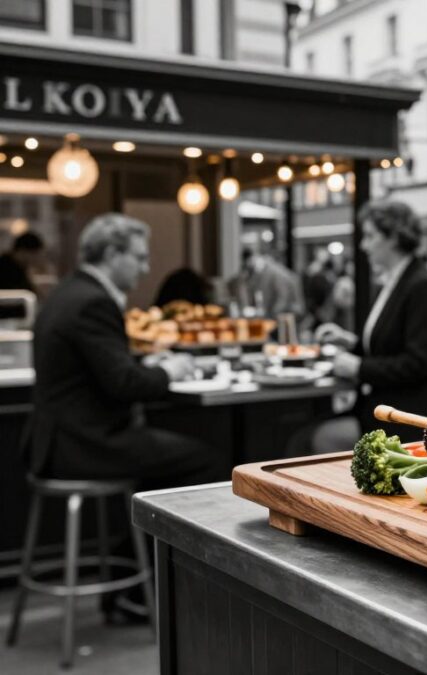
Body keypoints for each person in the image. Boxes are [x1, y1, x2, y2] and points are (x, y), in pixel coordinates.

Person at [26, 214, 219, 621]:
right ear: (113, 254)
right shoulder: (94, 302)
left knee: (163, 460)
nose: (146, 268)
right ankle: (151, 586)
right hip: (85, 444)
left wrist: (145, 364)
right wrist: (169, 370)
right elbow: (124, 384)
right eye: (140, 257)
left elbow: (104, 370)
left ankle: (132, 579)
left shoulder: (69, 292)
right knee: (202, 459)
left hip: (61, 439)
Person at [314, 200, 427, 444]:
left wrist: (358, 367)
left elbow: (418, 363)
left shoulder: (423, 286)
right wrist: (350, 342)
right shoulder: (395, 281)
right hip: (384, 409)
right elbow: (390, 344)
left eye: (370, 236)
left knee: (318, 438)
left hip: (405, 417)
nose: (363, 246)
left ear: (394, 238)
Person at [232, 249, 304, 318]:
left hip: (291, 311)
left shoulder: (273, 272)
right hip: (286, 310)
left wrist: (272, 314)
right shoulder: (267, 269)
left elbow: (283, 296)